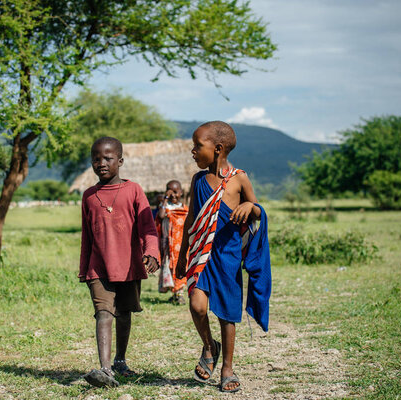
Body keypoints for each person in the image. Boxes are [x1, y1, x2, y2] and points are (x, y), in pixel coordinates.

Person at [176, 121, 272, 393]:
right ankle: (209, 346)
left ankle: (227, 368)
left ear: (217, 149)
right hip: (200, 255)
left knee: (227, 316)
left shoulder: (239, 178)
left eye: (198, 146)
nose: (193, 151)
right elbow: (191, 218)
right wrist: (183, 255)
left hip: (227, 256)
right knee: (197, 307)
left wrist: (249, 206)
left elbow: (257, 210)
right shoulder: (197, 181)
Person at [79, 136, 160, 388]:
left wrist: (152, 252)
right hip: (98, 266)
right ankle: (104, 370)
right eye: (96, 158)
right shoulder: (89, 196)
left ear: (120, 161)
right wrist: (84, 269)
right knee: (103, 313)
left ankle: (120, 361)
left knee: (124, 313)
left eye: (108, 158)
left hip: (128, 265)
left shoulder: (133, 190)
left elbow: (148, 226)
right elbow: (87, 236)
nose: (101, 163)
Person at [155, 180, 189, 304]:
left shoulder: (184, 209)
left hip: (181, 246)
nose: (173, 195)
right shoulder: (165, 207)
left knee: (180, 267)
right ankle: (175, 294)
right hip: (168, 246)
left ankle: (180, 294)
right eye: (170, 192)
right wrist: (164, 200)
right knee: (169, 267)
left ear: (181, 192)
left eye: (175, 192)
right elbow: (161, 216)